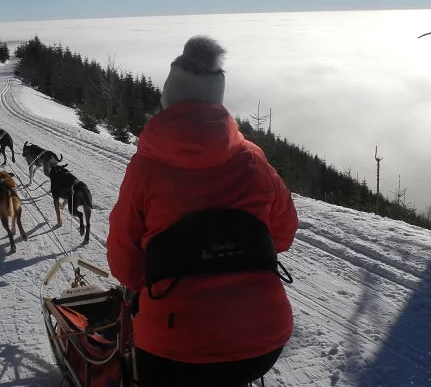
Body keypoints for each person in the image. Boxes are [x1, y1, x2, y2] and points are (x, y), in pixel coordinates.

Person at [106, 35, 298, 387]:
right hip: (263, 342)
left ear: (169, 98)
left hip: (172, 350)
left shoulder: (145, 168)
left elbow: (124, 261)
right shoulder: (254, 161)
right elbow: (283, 234)